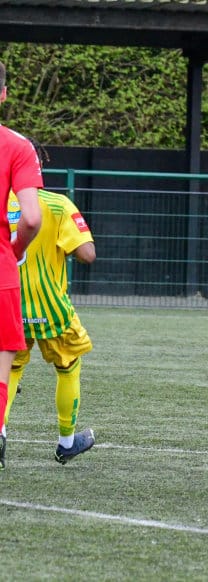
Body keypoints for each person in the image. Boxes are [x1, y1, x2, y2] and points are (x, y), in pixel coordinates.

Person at [5, 141, 97, 466]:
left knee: (9, 371)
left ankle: (0, 433)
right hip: (51, 309)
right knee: (68, 365)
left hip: (10, 304)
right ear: (39, 165)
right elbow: (87, 254)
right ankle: (66, 443)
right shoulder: (57, 205)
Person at [0, 60, 44, 470]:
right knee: (2, 359)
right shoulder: (18, 146)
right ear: (3, 94)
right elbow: (31, 218)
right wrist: (13, 251)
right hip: (1, 271)